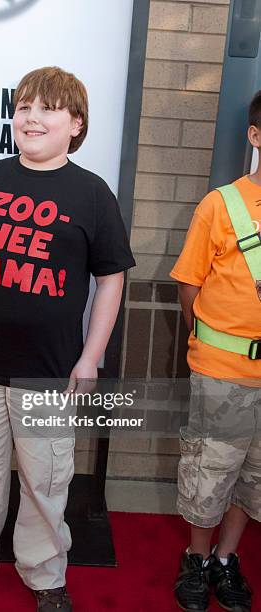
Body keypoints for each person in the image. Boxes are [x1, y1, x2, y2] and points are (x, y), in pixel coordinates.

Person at [0, 66, 135, 610]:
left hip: (50, 370)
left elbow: (112, 280)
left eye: (47, 108)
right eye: (23, 108)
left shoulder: (92, 194)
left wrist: (91, 358)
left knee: (46, 479)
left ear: (75, 124)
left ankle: (45, 575)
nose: (31, 117)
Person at [171, 91, 261, 612]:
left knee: (254, 478)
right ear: (255, 135)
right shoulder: (221, 205)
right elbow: (189, 285)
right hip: (222, 372)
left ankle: (227, 559)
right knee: (210, 472)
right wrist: (211, 343)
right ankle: (197, 558)